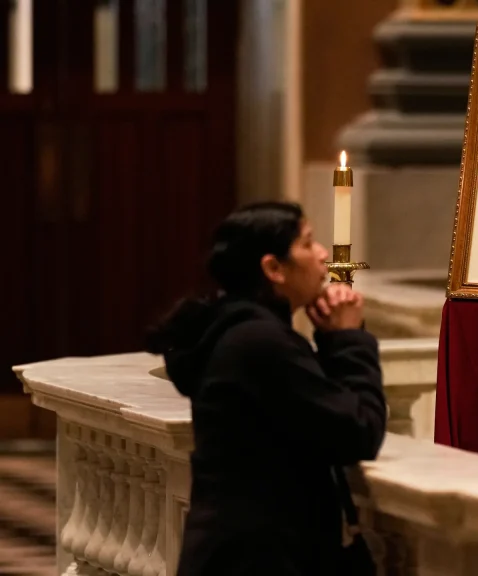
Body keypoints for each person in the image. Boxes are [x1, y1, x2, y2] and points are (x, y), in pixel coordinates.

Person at [144, 201, 387, 575]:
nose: (323, 254)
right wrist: (349, 340)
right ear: (274, 268)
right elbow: (358, 430)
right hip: (260, 558)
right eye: (307, 243)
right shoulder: (261, 344)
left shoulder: (240, 333)